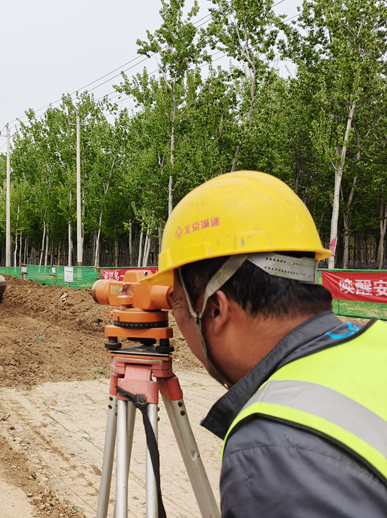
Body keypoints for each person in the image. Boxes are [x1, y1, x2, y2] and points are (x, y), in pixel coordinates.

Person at [141, 171, 387, 517]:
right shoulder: (378, 341)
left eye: (178, 302)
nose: (175, 313)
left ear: (215, 309)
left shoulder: (269, 450)